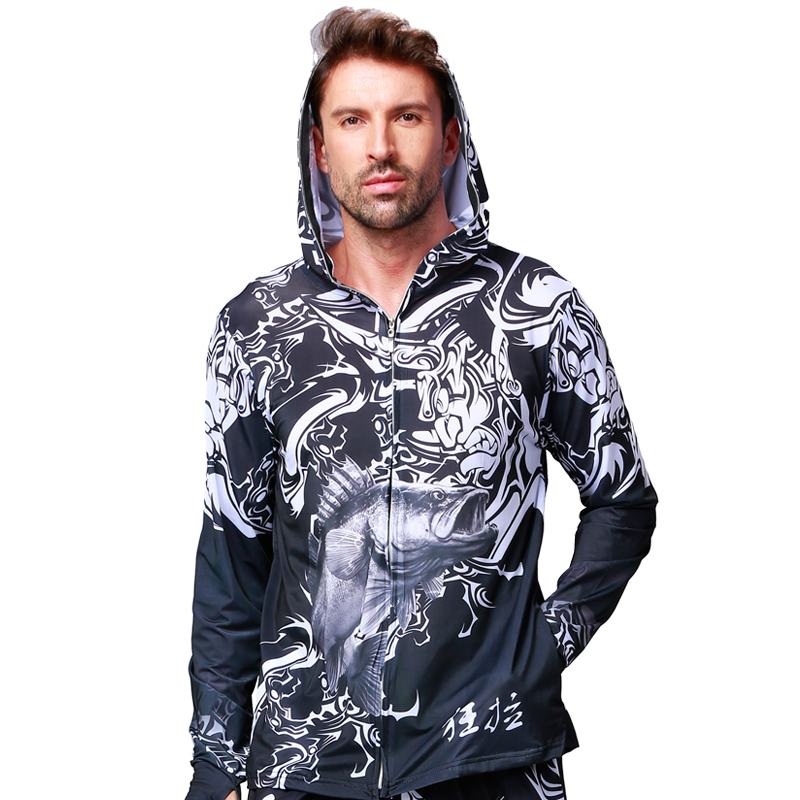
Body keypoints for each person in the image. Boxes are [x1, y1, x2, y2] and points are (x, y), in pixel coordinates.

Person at [185, 8, 657, 800]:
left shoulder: (537, 308)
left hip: (492, 762)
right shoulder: (258, 325)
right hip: (305, 770)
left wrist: (540, 648)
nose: (380, 146)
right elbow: (233, 552)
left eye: (407, 116)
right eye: (352, 120)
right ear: (319, 147)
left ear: (449, 139)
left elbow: (623, 500)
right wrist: (215, 762)